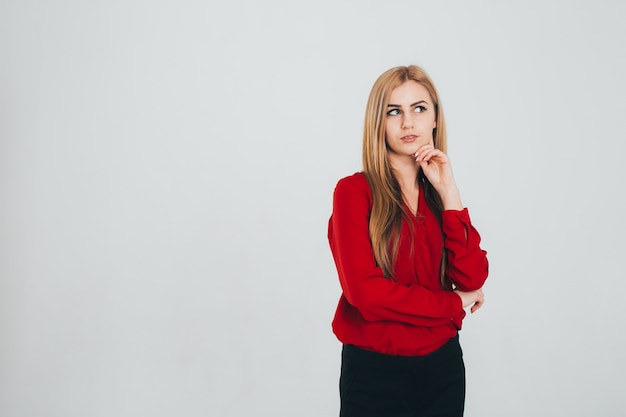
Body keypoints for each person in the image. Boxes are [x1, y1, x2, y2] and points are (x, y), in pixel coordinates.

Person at [328, 65, 489, 417]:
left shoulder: (440, 198)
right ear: (379, 122)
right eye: (394, 111)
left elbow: (472, 278)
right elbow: (365, 295)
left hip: (442, 368)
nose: (408, 123)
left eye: (419, 109)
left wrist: (449, 191)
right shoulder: (353, 193)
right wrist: (451, 305)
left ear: (434, 118)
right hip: (374, 374)